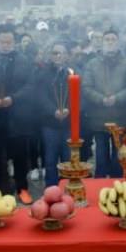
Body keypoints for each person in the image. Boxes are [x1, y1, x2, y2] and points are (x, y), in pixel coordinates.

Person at [0, 27, 39, 204]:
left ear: (14, 42)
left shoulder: (24, 61)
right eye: (2, 42)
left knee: (20, 156)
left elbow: (30, 85)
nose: (5, 45)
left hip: (17, 116)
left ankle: (22, 189)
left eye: (9, 42)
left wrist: (14, 98)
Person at [83, 30, 126, 179]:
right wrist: (100, 99)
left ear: (118, 43)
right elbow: (86, 87)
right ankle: (99, 184)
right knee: (100, 153)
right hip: (99, 117)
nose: (110, 42)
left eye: (113, 39)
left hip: (120, 116)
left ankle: (116, 182)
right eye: (107, 39)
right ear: (102, 42)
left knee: (118, 154)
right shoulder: (92, 63)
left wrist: (117, 98)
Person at [36, 42, 77, 187]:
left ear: (67, 55)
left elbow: (78, 95)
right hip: (49, 123)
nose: (58, 56)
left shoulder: (73, 72)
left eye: (61, 53)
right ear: (50, 55)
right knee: (50, 160)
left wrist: (68, 110)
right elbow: (40, 96)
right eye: (55, 53)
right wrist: (53, 111)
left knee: (68, 159)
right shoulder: (43, 73)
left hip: (68, 124)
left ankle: (67, 187)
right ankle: (51, 189)